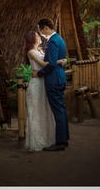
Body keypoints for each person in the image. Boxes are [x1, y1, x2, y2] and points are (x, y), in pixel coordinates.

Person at [24, 31, 66, 152]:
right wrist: (60, 61)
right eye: (37, 36)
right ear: (32, 39)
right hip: (36, 84)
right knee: (36, 111)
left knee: (45, 111)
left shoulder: (42, 50)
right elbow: (44, 64)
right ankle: (37, 140)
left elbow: (49, 61)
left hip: (43, 82)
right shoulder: (31, 52)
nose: (40, 37)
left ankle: (47, 138)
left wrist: (60, 60)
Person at [32, 18, 69, 151]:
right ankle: (64, 139)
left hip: (53, 79)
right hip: (60, 77)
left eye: (41, 30)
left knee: (58, 110)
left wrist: (40, 74)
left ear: (46, 27)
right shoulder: (60, 39)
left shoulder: (52, 41)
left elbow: (51, 63)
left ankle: (60, 142)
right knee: (62, 109)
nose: (41, 33)